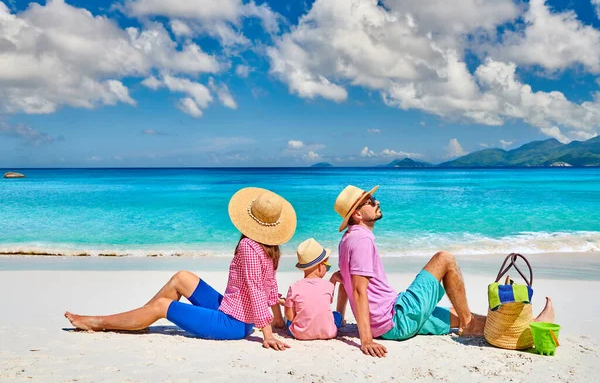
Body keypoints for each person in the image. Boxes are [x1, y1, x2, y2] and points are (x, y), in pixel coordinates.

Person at [332, 185, 555, 358]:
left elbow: (344, 280)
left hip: (390, 319)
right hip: (395, 319)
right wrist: (366, 339)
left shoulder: (347, 240)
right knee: (445, 259)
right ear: (357, 215)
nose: (376, 201)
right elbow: (359, 290)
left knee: (457, 314)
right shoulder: (362, 240)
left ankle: (522, 328)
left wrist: (341, 318)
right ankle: (471, 325)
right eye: (369, 201)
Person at [65, 187, 296, 351]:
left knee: (162, 306)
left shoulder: (248, 245)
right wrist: (276, 320)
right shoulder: (270, 248)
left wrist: (267, 333)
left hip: (233, 324)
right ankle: (140, 319)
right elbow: (269, 286)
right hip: (233, 310)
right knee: (182, 277)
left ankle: (99, 322)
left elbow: (257, 289)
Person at [281, 238, 343, 340]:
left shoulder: (294, 287)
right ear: (320, 266)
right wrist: (333, 279)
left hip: (300, 334)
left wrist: (287, 305)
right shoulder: (328, 286)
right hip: (328, 332)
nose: (327, 269)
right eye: (327, 265)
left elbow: (290, 316)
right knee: (337, 315)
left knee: (289, 321)